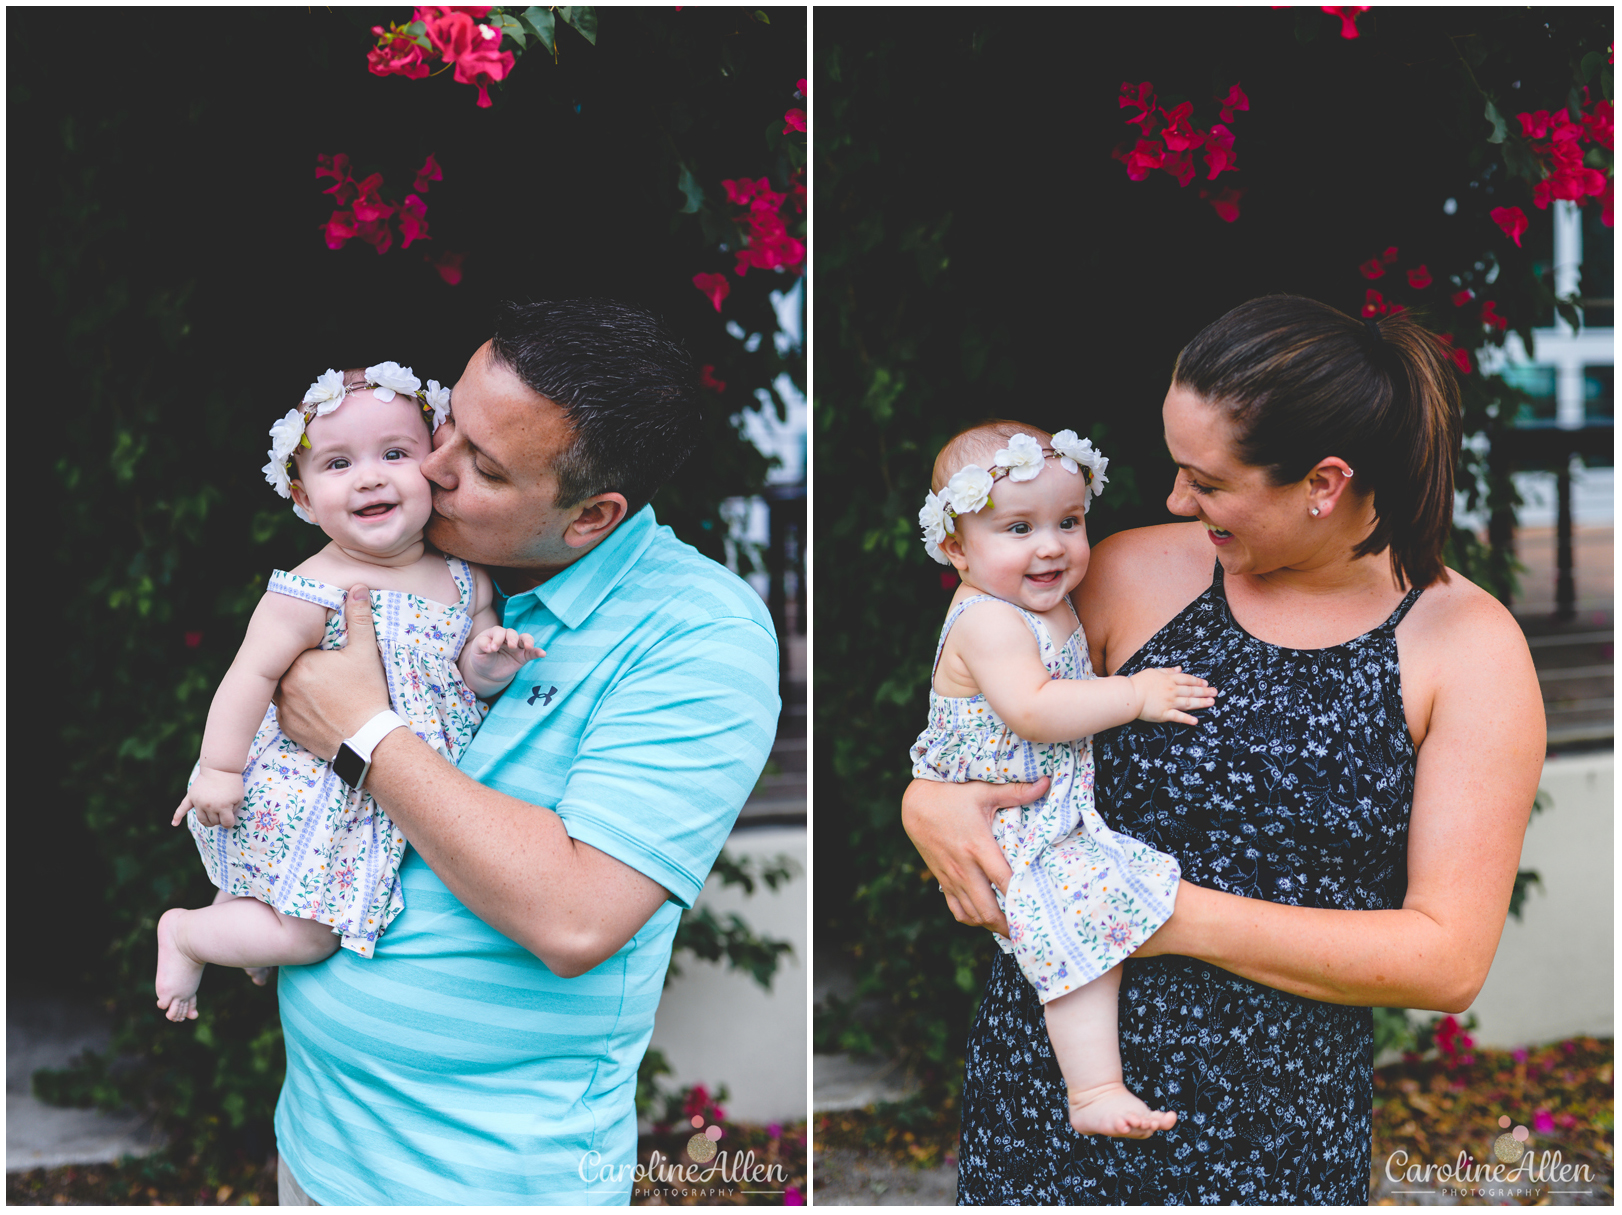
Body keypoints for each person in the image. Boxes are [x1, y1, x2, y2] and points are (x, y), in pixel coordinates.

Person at [902, 295, 1544, 1204]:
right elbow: (984, 687)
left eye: (1206, 481)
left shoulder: (1465, 647)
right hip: (1046, 1101)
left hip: (1271, 1132)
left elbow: (1445, 958)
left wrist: (1161, 914)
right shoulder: (1130, 573)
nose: (1175, 499)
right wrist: (922, 797)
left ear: (1323, 484)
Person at [265, 300, 781, 1205]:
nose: (430, 464)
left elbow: (577, 915)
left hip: (484, 1179)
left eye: (483, 466)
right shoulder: (414, 568)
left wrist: (368, 733)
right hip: (315, 1149)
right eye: (449, 420)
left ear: (591, 516)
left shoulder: (698, 634)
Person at [155, 364, 542, 1022]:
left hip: (393, 790)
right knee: (311, 934)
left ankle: (242, 930)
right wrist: (220, 768)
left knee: (286, 910)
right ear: (303, 499)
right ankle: (187, 934)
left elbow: (469, 680)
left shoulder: (464, 578)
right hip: (316, 789)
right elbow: (249, 675)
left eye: (395, 453)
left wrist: (490, 659)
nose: (370, 476)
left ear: (437, 469)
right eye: (338, 463)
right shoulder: (311, 586)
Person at [911, 420, 1214, 1137]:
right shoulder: (987, 620)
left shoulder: (1045, 600)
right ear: (956, 548)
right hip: (1012, 818)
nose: (1051, 545)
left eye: (1069, 521)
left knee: (1091, 917)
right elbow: (1036, 709)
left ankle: (1096, 1082)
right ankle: (1094, 1088)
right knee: (1081, 922)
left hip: (1052, 806)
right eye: (1018, 527)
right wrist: (1137, 694)